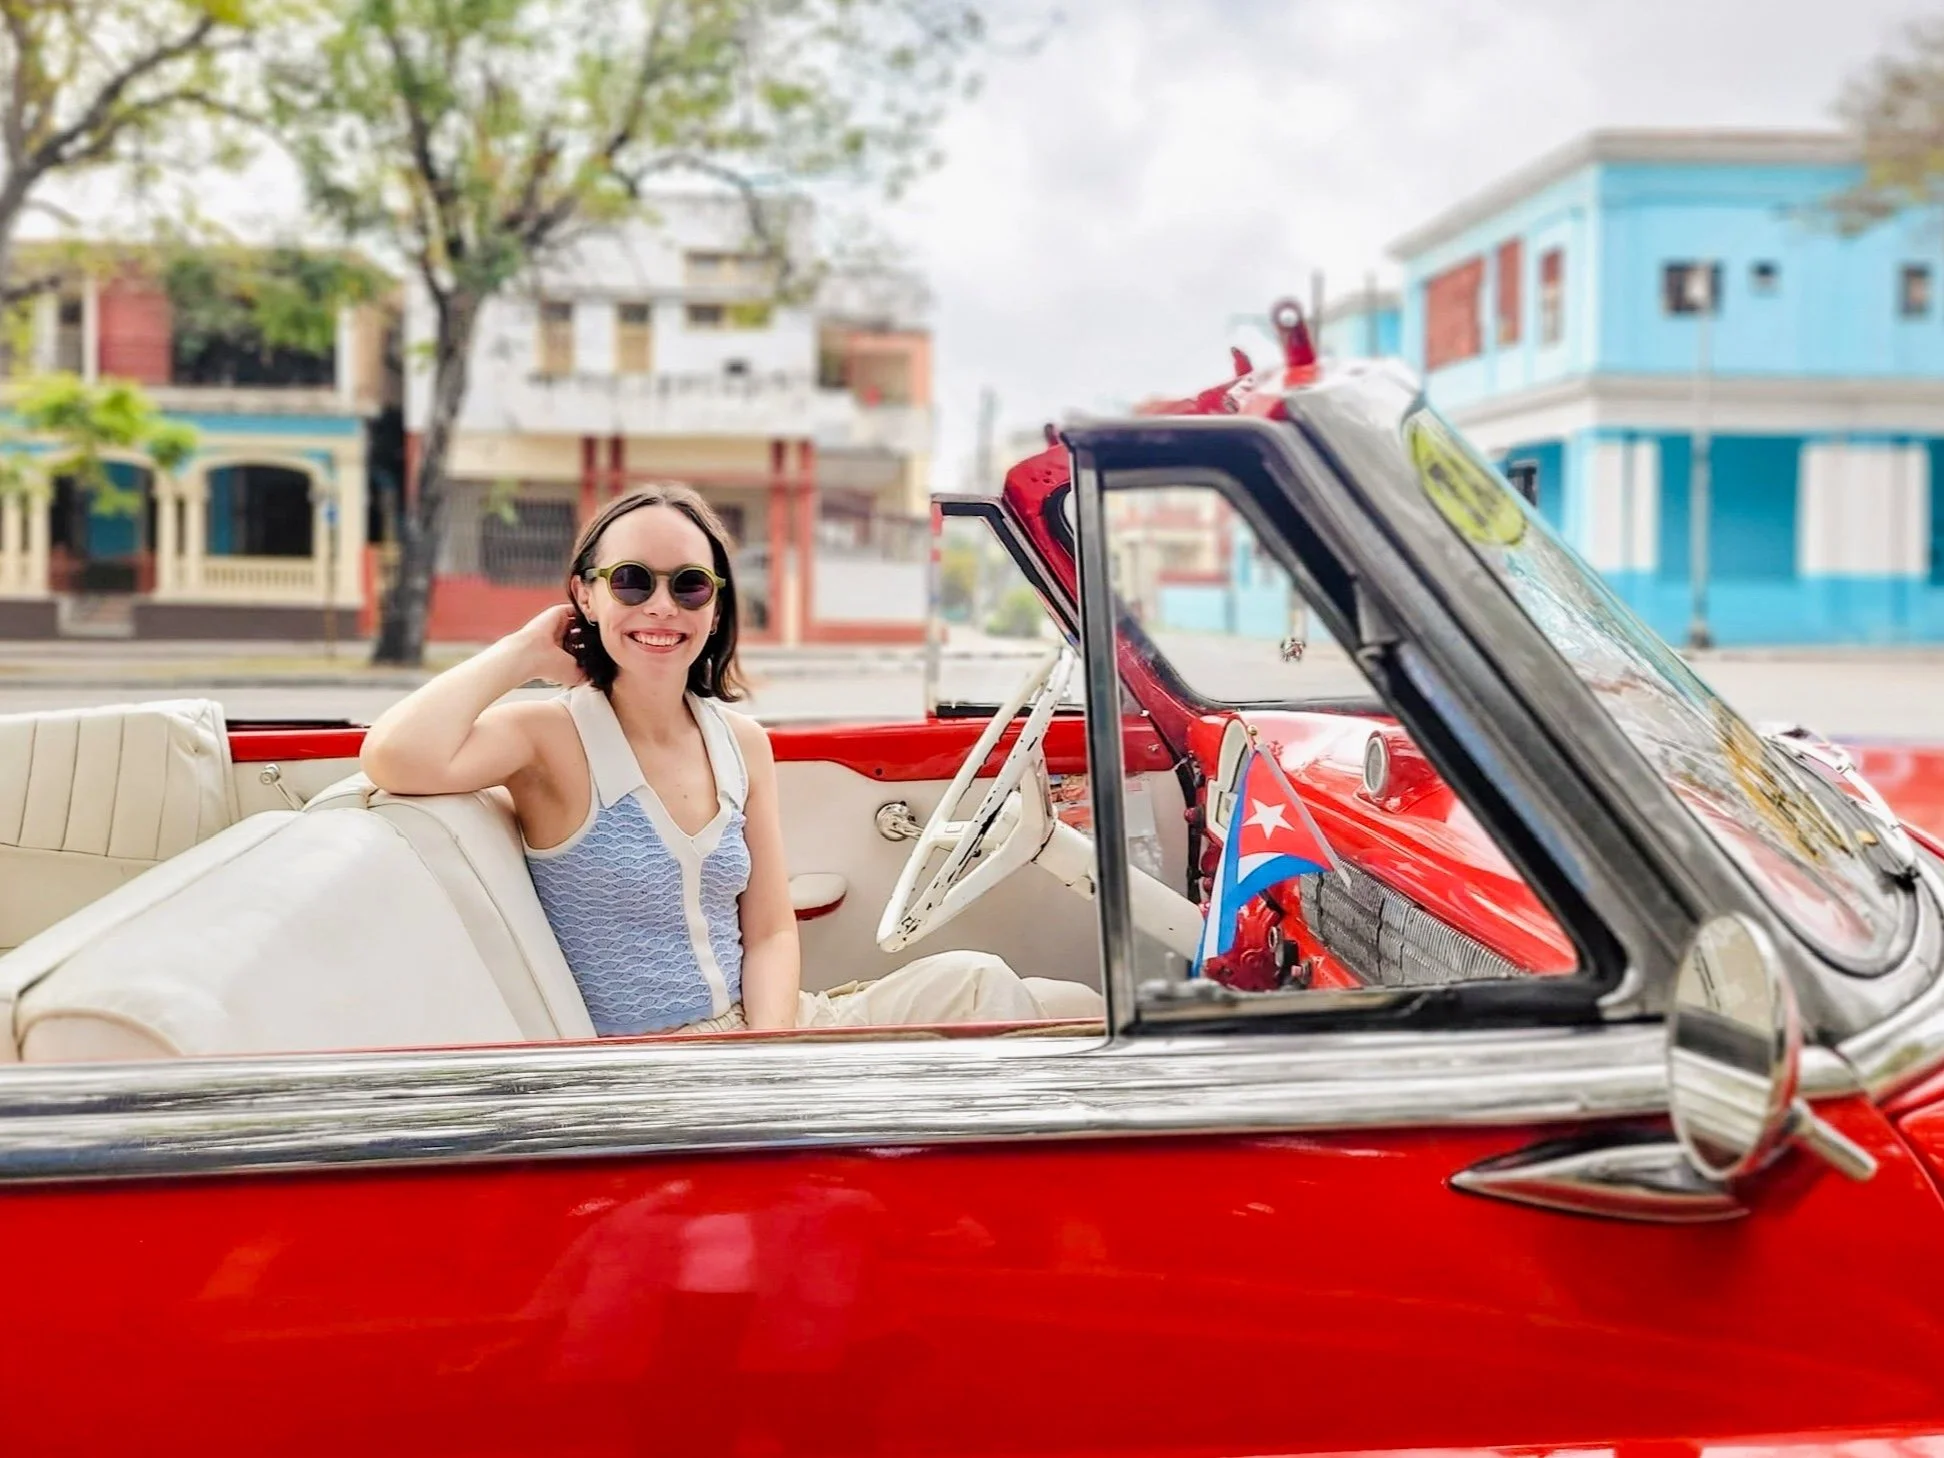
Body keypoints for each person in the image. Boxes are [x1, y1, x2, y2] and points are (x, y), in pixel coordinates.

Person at [362, 484, 1102, 1036]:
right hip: (661, 1071)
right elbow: (396, 756)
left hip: (762, 1031)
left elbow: (773, 929)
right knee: (1029, 1016)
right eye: (631, 581)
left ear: (714, 606)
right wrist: (524, 649)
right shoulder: (548, 740)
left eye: (688, 585)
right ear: (587, 596)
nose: (662, 607)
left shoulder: (740, 741)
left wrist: (769, 1050)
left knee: (1034, 997)